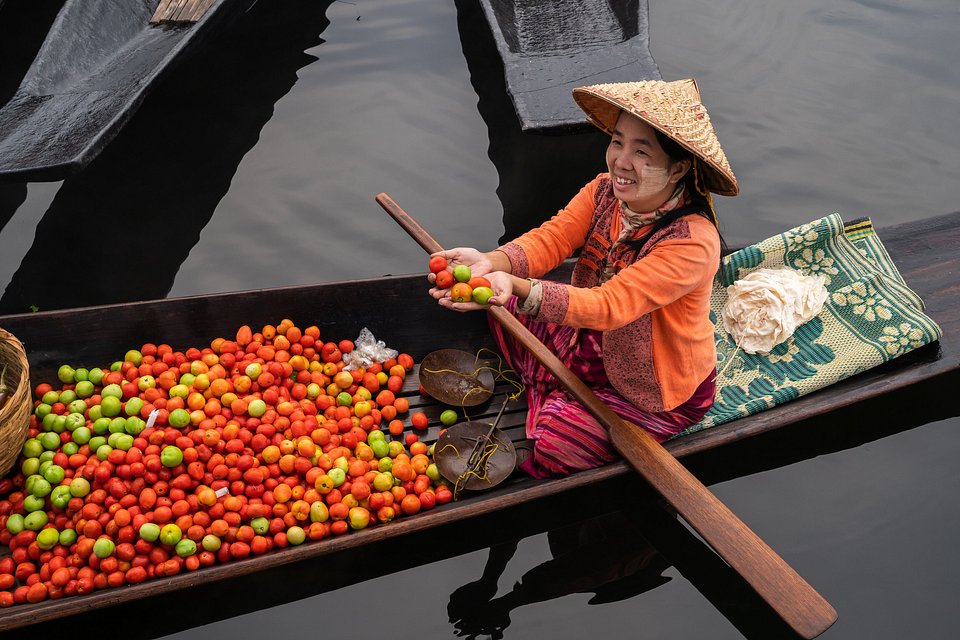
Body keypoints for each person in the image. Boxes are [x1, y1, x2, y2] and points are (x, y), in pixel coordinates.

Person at [428, 79, 739, 478]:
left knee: (556, 444)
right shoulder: (603, 191)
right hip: (589, 338)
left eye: (641, 151)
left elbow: (609, 306)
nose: (621, 161)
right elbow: (553, 238)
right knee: (498, 301)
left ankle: (559, 394)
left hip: (651, 383)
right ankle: (561, 384)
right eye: (617, 142)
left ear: (678, 168)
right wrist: (492, 262)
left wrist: (520, 286)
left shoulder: (691, 242)